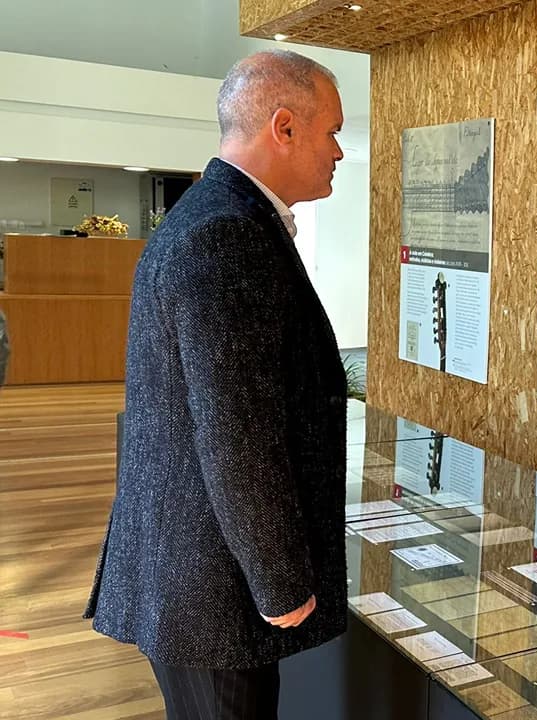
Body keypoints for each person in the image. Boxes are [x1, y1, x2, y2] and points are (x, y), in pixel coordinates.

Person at [84, 50, 349, 720]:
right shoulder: (225, 235)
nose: (340, 151)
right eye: (331, 132)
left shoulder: (222, 219)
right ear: (283, 128)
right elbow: (236, 432)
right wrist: (280, 581)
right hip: (211, 587)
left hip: (201, 571)